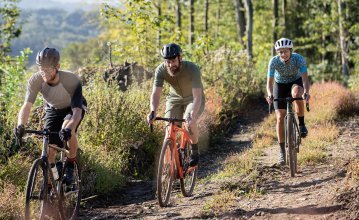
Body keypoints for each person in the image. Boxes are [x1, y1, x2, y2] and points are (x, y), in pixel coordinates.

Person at [14, 47, 87, 186]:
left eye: (48, 69)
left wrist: (69, 128)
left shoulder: (71, 80)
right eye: (41, 69)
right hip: (53, 109)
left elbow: (77, 112)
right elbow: (27, 106)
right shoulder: (36, 80)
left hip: (73, 107)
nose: (44, 73)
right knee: (49, 151)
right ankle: (52, 181)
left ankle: (71, 164)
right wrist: (20, 125)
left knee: (68, 129)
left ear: (57, 67)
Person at [147, 43, 205, 167]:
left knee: (189, 122)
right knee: (169, 129)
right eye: (168, 62)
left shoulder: (192, 68)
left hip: (193, 99)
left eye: (173, 61)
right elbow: (156, 94)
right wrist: (153, 111)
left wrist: (192, 114)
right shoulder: (161, 70)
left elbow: (197, 97)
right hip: (174, 98)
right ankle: (169, 166)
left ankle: (194, 150)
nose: (170, 65)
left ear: (180, 58)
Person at [266, 38, 310, 165]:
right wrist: (270, 94)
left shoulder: (299, 59)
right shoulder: (273, 61)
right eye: (280, 52)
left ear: (290, 50)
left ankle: (301, 124)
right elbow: (269, 83)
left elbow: (305, 79)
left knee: (297, 94)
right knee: (280, 117)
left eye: (285, 51)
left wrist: (306, 92)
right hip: (279, 85)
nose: (283, 54)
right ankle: (281, 152)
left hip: (295, 82)